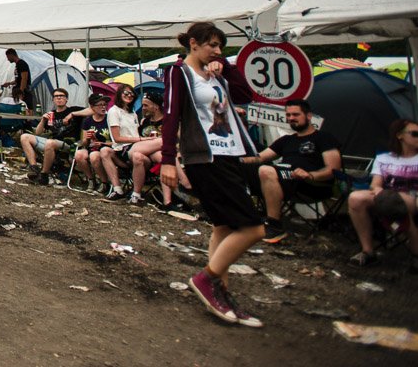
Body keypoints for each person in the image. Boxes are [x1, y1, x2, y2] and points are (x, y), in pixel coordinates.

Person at [161, 21, 265, 328]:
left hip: (230, 152)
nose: (217, 51)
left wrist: (227, 68)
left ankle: (221, 291)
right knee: (253, 228)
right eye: (212, 45)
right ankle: (206, 279)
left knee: (224, 226)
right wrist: (168, 159)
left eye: (221, 46)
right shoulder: (179, 72)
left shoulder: (218, 73)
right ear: (193, 43)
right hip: (205, 156)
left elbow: (247, 94)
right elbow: (170, 115)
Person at [242, 99, 342, 243]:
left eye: (295, 115)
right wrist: (236, 161)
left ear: (308, 116)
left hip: (311, 184)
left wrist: (311, 175)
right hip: (284, 179)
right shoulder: (287, 140)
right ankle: (238, 216)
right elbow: (260, 158)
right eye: (288, 115)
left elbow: (333, 169)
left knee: (266, 170)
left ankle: (274, 226)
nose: (291, 118)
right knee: (245, 169)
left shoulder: (323, 137)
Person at [347, 118, 418, 269]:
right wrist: (380, 192)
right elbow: (375, 185)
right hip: (386, 197)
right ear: (400, 135)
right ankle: (368, 251)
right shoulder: (384, 158)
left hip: (413, 199)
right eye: (415, 133)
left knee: (397, 202)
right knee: (356, 198)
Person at [20, 87, 83, 185]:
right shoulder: (51, 114)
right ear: (53, 100)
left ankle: (44, 174)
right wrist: (43, 120)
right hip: (53, 143)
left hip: (69, 144)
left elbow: (92, 109)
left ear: (66, 99)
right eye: (56, 96)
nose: (59, 98)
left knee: (50, 142)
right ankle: (34, 168)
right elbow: (38, 133)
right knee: (24, 137)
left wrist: (72, 114)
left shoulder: (73, 110)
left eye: (61, 96)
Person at [97, 87, 149, 202]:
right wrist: (141, 140)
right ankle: (117, 189)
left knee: (145, 153)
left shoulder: (133, 113)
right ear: (119, 94)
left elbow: (134, 132)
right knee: (104, 151)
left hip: (135, 147)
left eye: (131, 93)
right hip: (123, 148)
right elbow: (117, 138)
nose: (129, 95)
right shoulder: (114, 111)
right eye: (126, 93)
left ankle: (136, 194)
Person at [72, 94, 112, 192]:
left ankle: (104, 182)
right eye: (100, 105)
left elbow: (116, 141)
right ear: (92, 107)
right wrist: (88, 139)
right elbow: (84, 142)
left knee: (94, 156)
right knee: (79, 154)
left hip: (106, 149)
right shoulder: (87, 121)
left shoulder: (109, 119)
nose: (103, 107)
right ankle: (91, 179)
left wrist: (102, 144)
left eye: (105, 104)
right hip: (91, 147)